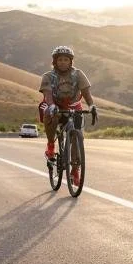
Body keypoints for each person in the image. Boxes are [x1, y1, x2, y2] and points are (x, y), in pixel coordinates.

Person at [39, 45, 96, 185]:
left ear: (71, 61)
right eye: (60, 60)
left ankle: (75, 170)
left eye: (66, 59)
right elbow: (47, 94)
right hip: (55, 105)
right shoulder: (48, 76)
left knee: (77, 137)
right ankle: (51, 144)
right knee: (49, 111)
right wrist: (52, 106)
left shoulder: (78, 74)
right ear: (55, 61)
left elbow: (87, 94)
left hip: (74, 106)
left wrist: (92, 106)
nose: (63, 62)